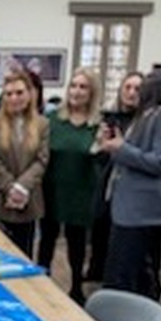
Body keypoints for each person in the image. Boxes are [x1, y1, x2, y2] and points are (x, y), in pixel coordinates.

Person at [101, 70, 161, 299]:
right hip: (126, 210)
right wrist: (114, 146)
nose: (136, 92)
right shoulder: (144, 116)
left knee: (132, 280)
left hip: (141, 214)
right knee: (119, 276)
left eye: (141, 87)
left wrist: (123, 149)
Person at [37, 67, 101, 305]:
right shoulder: (53, 120)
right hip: (52, 188)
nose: (77, 91)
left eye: (83, 87)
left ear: (92, 92)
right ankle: (42, 285)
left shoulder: (98, 124)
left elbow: (102, 158)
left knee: (77, 243)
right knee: (47, 240)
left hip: (81, 190)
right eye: (73, 85)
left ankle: (76, 288)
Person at [0, 70, 49, 258]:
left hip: (28, 202)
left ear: (30, 94)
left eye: (19, 92)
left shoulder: (42, 124)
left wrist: (22, 187)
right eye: (9, 93)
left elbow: (42, 160)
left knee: (23, 257)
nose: (14, 98)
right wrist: (12, 188)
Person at [85, 71, 144, 282]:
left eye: (137, 89)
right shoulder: (110, 118)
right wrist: (101, 144)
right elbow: (100, 158)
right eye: (127, 87)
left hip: (132, 192)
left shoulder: (145, 123)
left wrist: (122, 148)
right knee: (100, 236)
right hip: (107, 188)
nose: (131, 93)